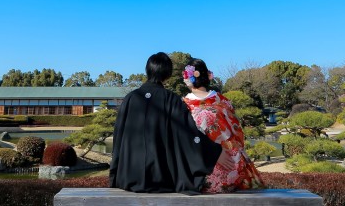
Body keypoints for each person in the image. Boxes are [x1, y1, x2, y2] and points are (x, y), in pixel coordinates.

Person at [109, 52, 224, 193]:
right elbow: (188, 134)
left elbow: (118, 138)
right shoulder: (172, 100)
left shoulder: (130, 98)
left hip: (128, 177)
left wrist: (115, 173)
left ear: (148, 70)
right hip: (161, 179)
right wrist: (213, 150)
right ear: (168, 74)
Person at [182, 57, 265, 193]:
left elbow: (185, 139)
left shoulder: (184, 105)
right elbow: (237, 131)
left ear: (188, 78)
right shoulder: (222, 101)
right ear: (206, 75)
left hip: (199, 166)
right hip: (231, 161)